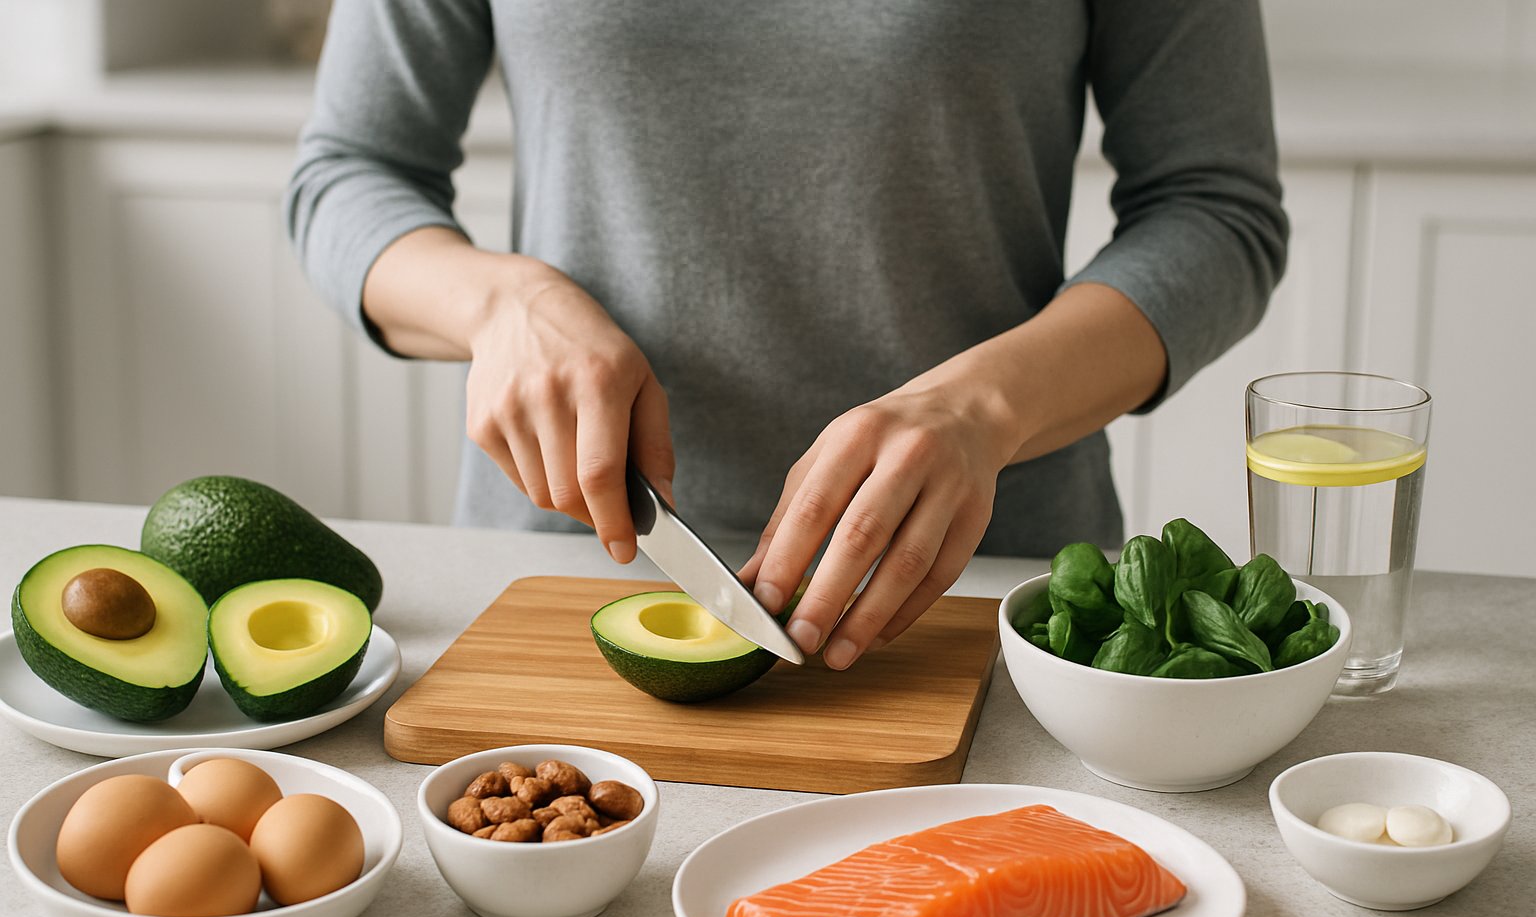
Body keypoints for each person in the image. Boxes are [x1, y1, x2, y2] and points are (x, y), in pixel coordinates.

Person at [286, 1, 1287, 673]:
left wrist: (982, 408)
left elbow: (1215, 207)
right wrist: (495, 303)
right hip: (578, 562)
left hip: (976, 588)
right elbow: (347, 171)